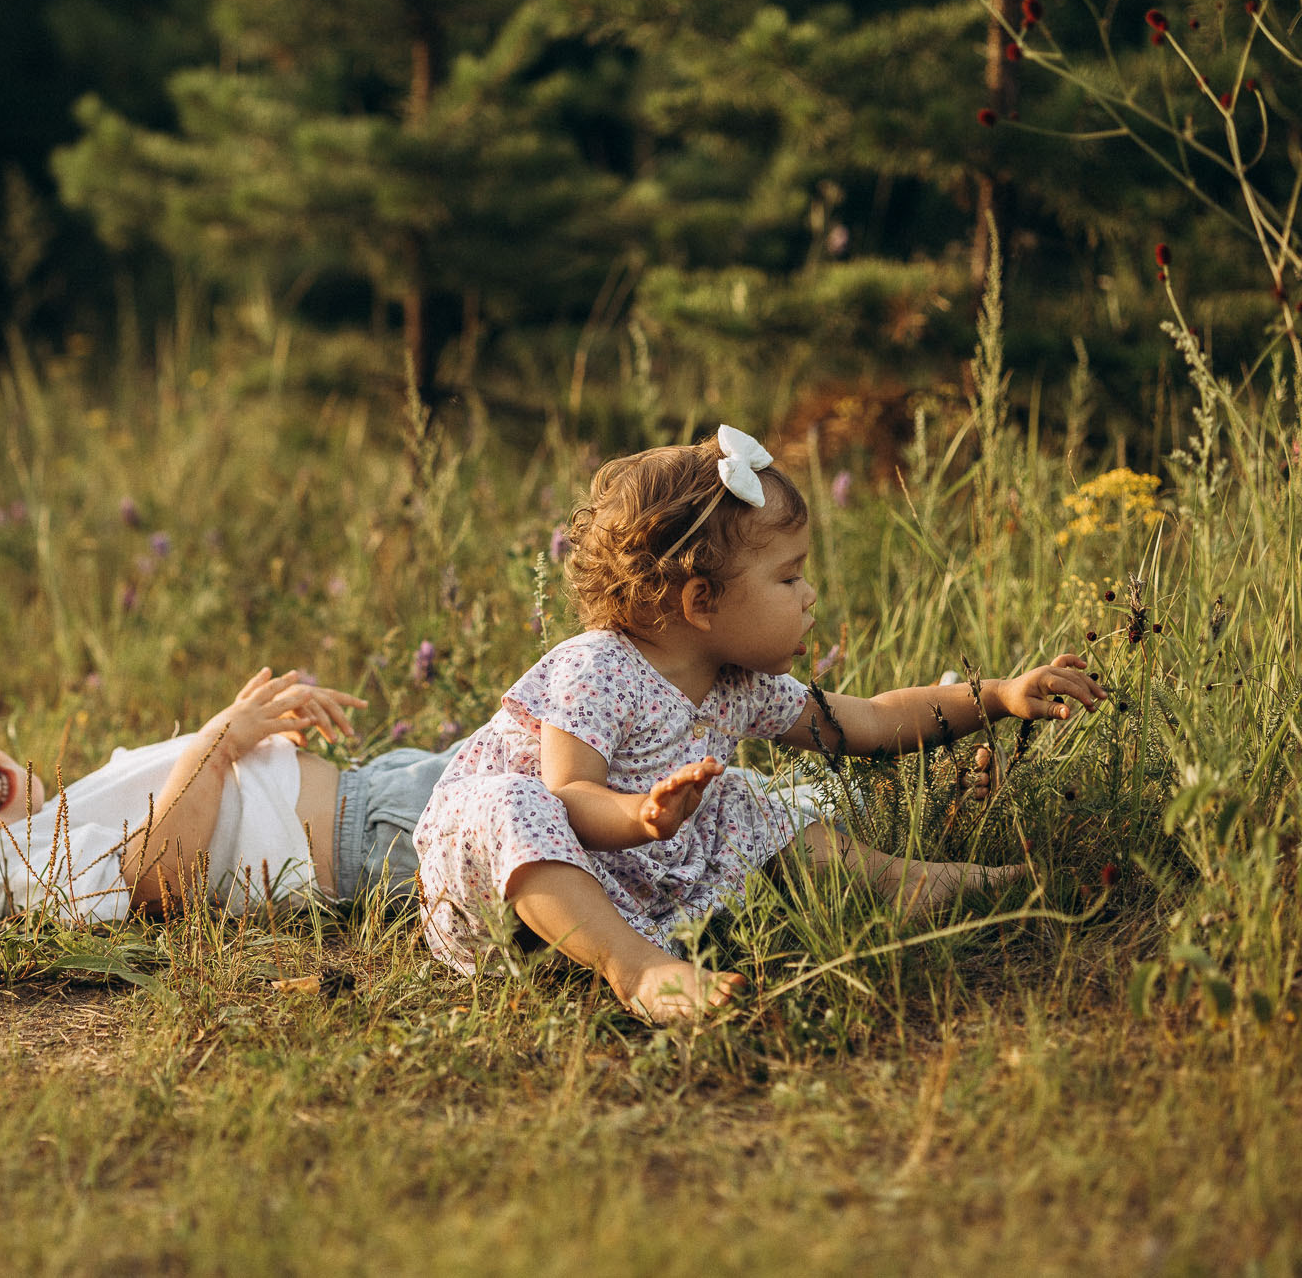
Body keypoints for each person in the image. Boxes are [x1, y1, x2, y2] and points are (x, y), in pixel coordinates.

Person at [413, 426, 1106, 1022]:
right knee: (515, 801)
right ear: (701, 601)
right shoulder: (596, 668)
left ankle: (903, 880)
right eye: (789, 578)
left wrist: (998, 695)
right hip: (505, 889)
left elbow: (865, 722)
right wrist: (642, 815)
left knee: (745, 799)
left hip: (625, 875)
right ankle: (638, 970)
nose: (810, 597)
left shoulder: (741, 685)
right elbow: (567, 796)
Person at [0, 667, 469, 923]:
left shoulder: (44, 826)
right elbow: (157, 878)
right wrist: (217, 744)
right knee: (555, 799)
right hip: (376, 843)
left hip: (377, 791)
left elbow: (196, 809)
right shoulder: (11, 873)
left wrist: (254, 726)